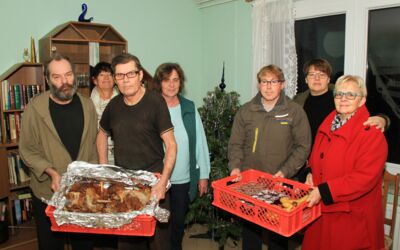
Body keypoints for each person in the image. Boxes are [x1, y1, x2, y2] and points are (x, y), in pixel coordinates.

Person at [96, 53, 177, 250]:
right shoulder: (114, 106)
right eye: (120, 76)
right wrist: (105, 169)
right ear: (115, 79)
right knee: (128, 244)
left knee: (160, 243)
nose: (125, 80)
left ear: (140, 75)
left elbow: (172, 145)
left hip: (154, 184)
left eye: (130, 74)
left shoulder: (156, 102)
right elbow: (101, 135)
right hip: (124, 187)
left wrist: (163, 181)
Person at [19, 53, 98, 250]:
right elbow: (27, 150)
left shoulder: (88, 105)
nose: (65, 81)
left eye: (69, 74)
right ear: (47, 80)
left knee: (84, 244)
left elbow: (93, 146)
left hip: (83, 192)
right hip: (48, 192)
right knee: (51, 244)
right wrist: (51, 172)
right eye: (57, 77)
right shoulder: (35, 109)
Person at [228, 64, 311, 250]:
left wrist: (285, 171)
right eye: (264, 81)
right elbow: (235, 144)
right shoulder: (246, 111)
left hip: (280, 184)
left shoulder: (295, 111)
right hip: (250, 184)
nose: (268, 86)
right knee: (250, 233)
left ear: (282, 84)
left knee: (277, 237)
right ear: (259, 85)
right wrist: (234, 167)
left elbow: (303, 147)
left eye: (273, 81)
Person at [303, 75, 388, 250]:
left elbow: (364, 178)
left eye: (351, 95)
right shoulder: (328, 123)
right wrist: (310, 172)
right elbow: (316, 155)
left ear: (362, 100)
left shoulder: (372, 134)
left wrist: (324, 191)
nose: (343, 99)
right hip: (322, 210)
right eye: (339, 94)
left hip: (351, 216)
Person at [293, 58, 388, 181]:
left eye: (322, 74)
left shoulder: (341, 102)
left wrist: (383, 119)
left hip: (337, 175)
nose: (317, 79)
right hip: (309, 167)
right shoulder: (298, 101)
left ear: (328, 79)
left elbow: (366, 113)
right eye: (312, 75)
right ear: (306, 79)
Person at [149, 62, 210, 250]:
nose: (171, 84)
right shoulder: (151, 106)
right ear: (159, 83)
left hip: (183, 178)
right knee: (158, 226)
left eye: (176, 80)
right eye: (166, 80)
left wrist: (203, 175)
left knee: (177, 224)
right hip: (158, 179)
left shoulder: (189, 107)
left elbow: (200, 141)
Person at [90, 62, 119, 165]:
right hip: (95, 156)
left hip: (120, 155)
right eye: (102, 75)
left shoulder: (123, 102)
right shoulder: (88, 104)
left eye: (110, 74)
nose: (106, 78)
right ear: (94, 80)